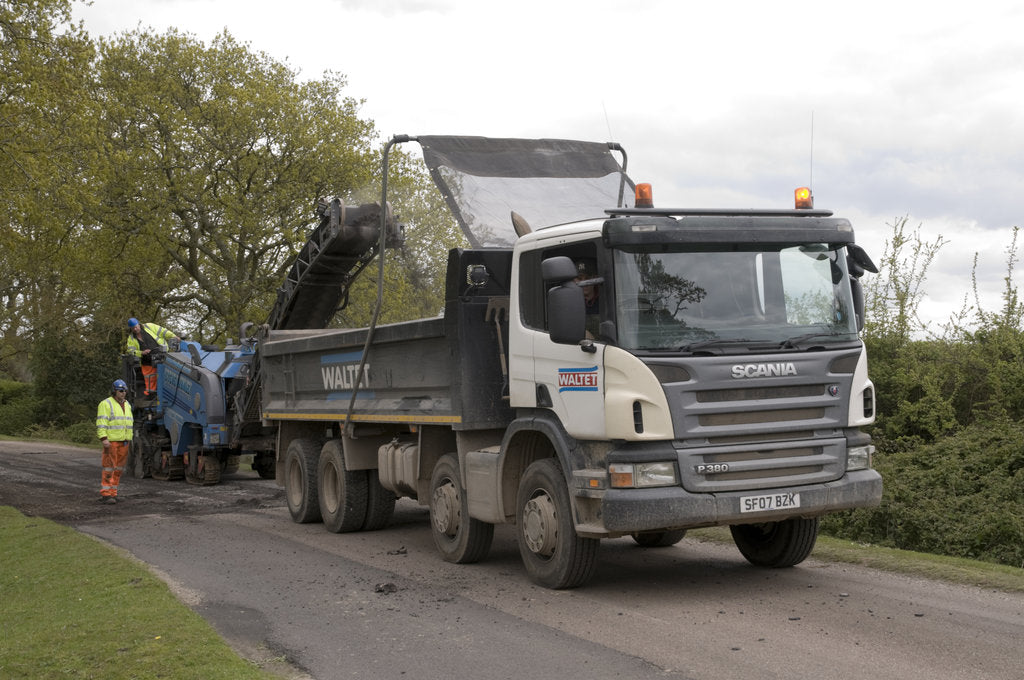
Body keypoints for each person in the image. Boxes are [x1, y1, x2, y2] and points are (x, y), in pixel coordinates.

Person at [96, 379, 133, 504]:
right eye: (120, 391)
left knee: (118, 469)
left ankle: (113, 493)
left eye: (124, 391)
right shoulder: (106, 404)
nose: (123, 393)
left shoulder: (127, 404)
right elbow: (102, 422)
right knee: (109, 468)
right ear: (114, 391)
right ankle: (106, 494)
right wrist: (104, 438)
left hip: (124, 441)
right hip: (111, 441)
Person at [125, 317, 179, 396]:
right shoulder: (131, 339)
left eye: (136, 327)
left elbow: (163, 332)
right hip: (146, 360)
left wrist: (174, 337)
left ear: (139, 324)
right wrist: (141, 352)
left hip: (161, 355)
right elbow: (131, 351)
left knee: (165, 375)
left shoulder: (150, 326)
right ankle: (151, 394)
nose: (135, 329)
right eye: (133, 328)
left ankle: (166, 393)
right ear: (131, 329)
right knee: (149, 379)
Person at [574, 259, 600, 337]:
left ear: (595, 278)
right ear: (573, 280)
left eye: (588, 278)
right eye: (579, 278)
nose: (584, 282)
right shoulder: (568, 303)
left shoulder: (606, 300)